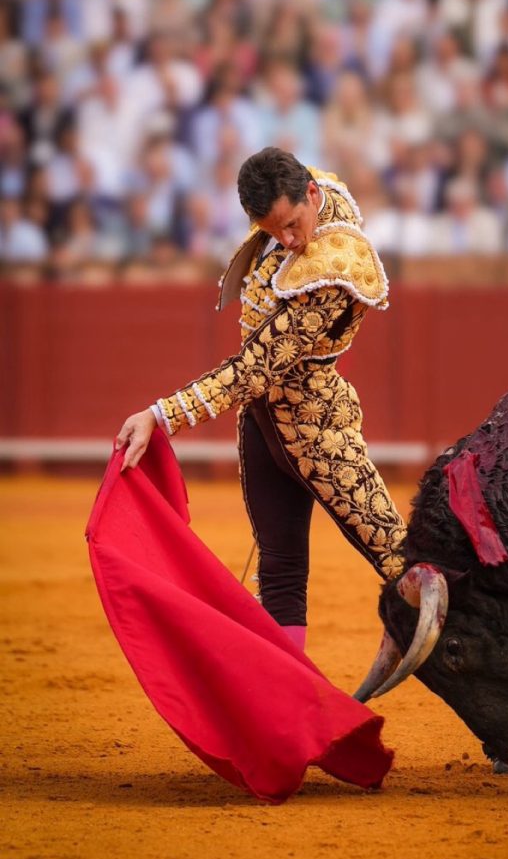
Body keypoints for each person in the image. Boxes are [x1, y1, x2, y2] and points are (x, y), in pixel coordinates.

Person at [115, 147, 407, 649]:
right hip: (261, 421)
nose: (289, 241)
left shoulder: (335, 267)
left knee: (400, 559)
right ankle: (286, 702)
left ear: (312, 195)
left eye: (293, 224)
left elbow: (253, 368)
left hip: (319, 430)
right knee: (280, 570)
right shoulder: (305, 188)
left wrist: (160, 415)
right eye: (274, 232)